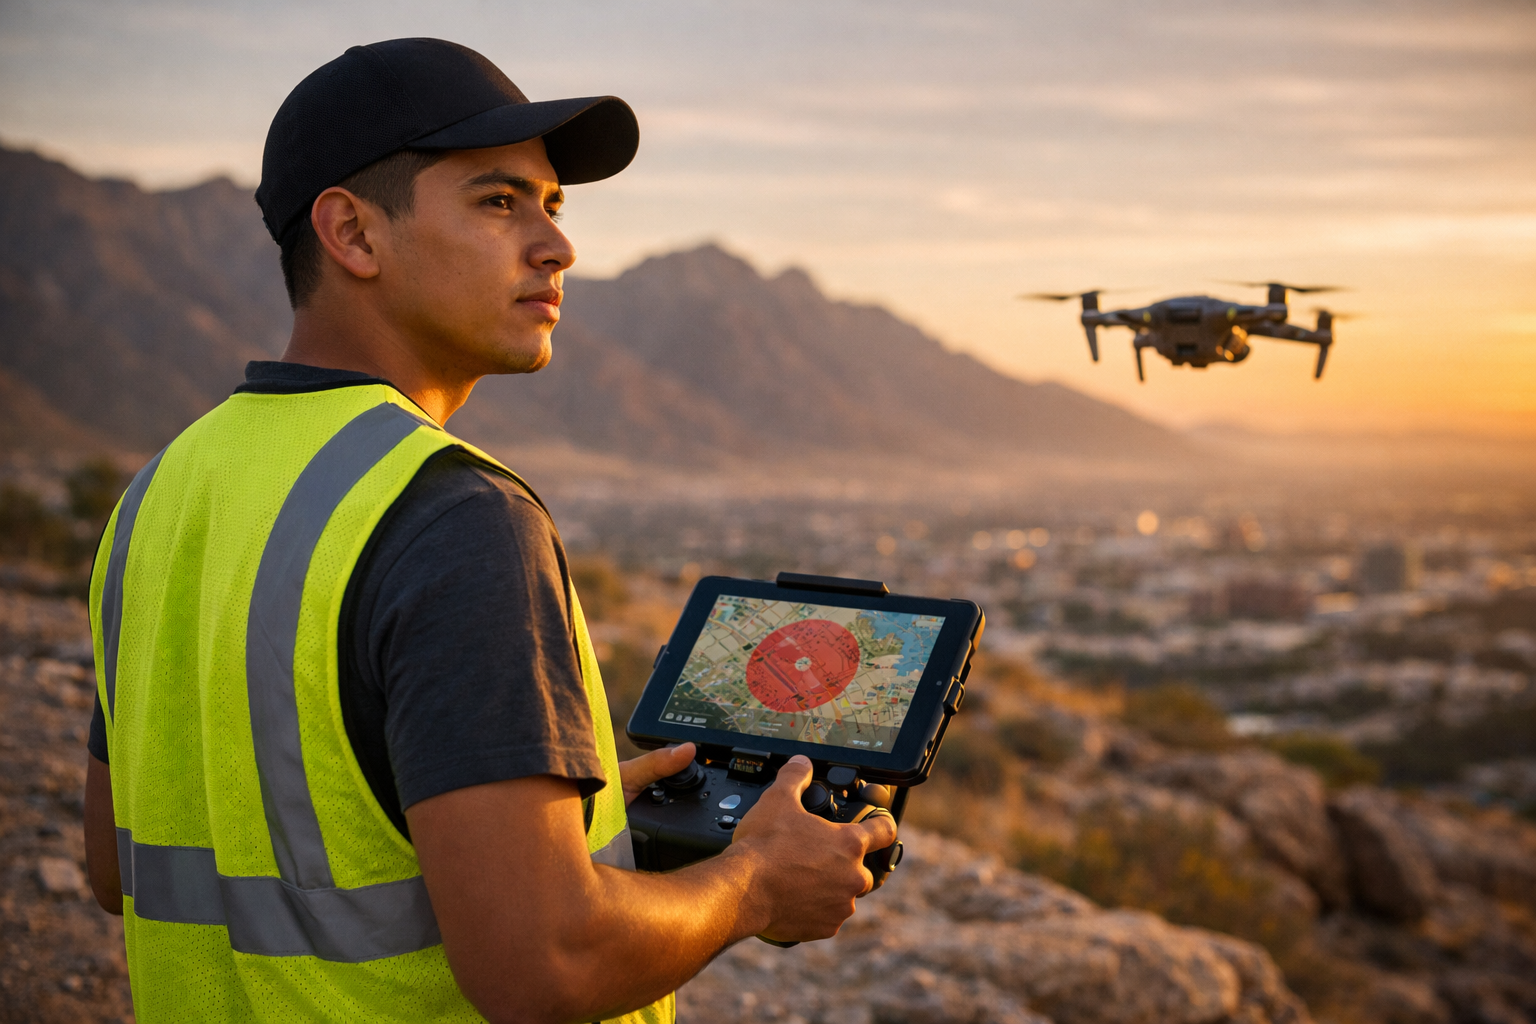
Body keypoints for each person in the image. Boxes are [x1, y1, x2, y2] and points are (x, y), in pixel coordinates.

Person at [81, 37, 895, 1024]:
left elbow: (114, 857)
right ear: (353, 233)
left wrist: (542, 817)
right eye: (499, 201)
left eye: (553, 206)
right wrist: (757, 880)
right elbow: (545, 964)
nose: (558, 246)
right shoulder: (455, 515)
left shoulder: (162, 491)